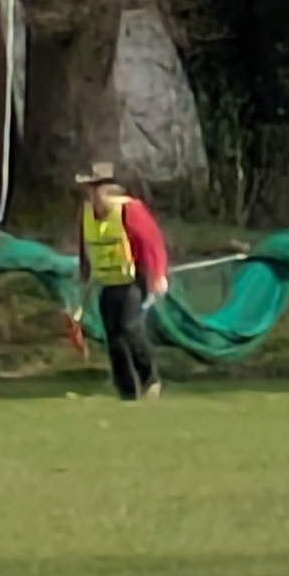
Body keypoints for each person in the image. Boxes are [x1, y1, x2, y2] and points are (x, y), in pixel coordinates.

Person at [78, 160, 170, 402]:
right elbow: (85, 245)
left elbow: (152, 242)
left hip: (131, 280)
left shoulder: (130, 210)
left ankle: (150, 378)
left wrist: (158, 274)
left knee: (130, 328)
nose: (93, 194)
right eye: (90, 188)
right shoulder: (87, 213)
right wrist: (84, 276)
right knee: (114, 336)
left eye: (96, 187)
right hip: (108, 282)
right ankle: (126, 390)